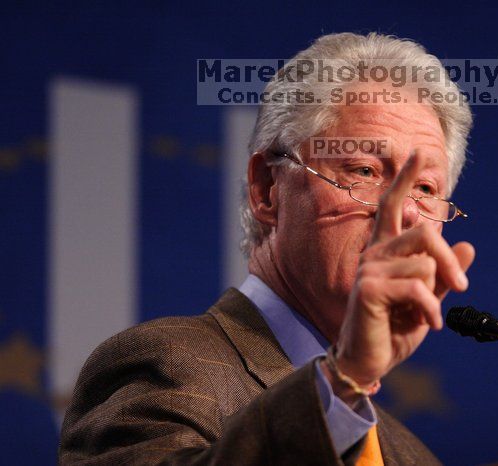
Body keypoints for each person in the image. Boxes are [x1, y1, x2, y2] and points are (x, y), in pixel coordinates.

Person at [59, 32, 475, 465]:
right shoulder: (164, 363)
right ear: (267, 189)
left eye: (425, 188)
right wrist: (344, 380)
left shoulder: (413, 456)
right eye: (365, 170)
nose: (405, 213)